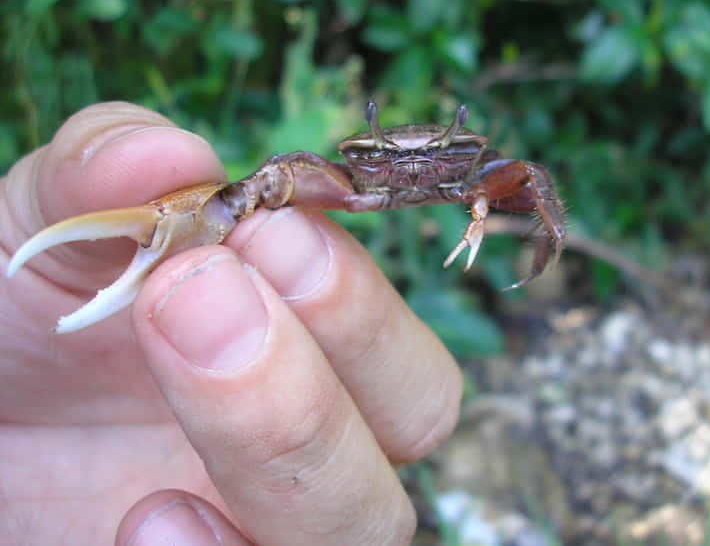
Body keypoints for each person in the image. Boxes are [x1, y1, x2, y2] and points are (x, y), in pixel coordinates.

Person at [0, 102, 462, 545]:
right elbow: (255, 189)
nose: (411, 171)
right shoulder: (305, 173)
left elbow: (531, 181)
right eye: (377, 154)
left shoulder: (490, 175)